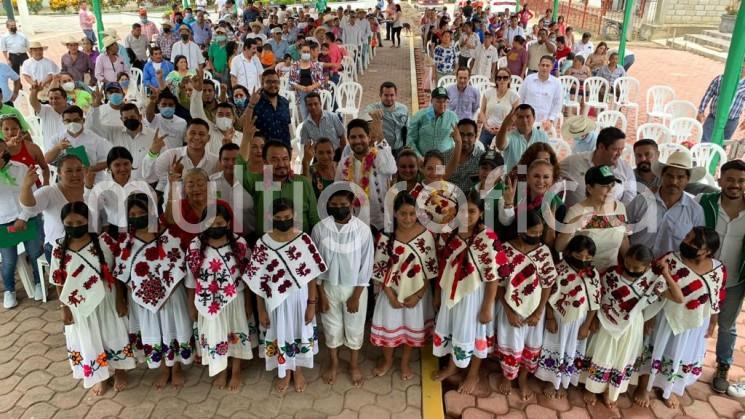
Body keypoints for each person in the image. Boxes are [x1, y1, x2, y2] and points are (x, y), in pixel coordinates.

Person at [580, 244, 682, 410]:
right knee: (601, 353)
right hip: (606, 322)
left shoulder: (652, 282)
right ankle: (591, 388)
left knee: (622, 357)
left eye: (636, 267)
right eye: (627, 264)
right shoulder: (612, 273)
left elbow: (678, 298)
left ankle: (609, 390)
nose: (630, 269)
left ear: (647, 266)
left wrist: (665, 274)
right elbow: (599, 296)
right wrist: (594, 319)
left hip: (631, 326)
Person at [50, 201, 136, 395]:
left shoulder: (105, 242)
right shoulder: (58, 250)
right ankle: (100, 375)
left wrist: (120, 299)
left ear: (88, 221)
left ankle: (120, 371)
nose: (74, 227)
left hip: (106, 301)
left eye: (79, 222)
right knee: (88, 339)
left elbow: (116, 274)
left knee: (112, 334)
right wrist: (64, 308)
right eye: (69, 224)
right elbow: (58, 281)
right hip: (79, 306)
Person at [634, 227, 725, 408]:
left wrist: (714, 321)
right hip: (663, 318)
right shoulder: (670, 260)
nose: (686, 243)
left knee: (678, 354)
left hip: (694, 324)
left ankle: (667, 389)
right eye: (687, 237)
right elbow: (652, 287)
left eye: (694, 244)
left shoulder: (718, 269)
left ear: (707, 252)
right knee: (653, 349)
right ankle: (643, 387)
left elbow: (717, 296)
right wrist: (649, 317)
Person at [109, 193, 193, 389]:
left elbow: (180, 263)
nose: (137, 216)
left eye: (142, 212)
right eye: (133, 213)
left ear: (151, 212)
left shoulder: (167, 235)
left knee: (174, 329)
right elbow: (121, 272)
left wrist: (167, 289)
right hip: (143, 301)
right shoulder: (125, 241)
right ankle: (164, 369)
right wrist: (121, 299)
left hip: (172, 297)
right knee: (155, 332)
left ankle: (177, 367)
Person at [245, 198, 326, 393]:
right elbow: (258, 282)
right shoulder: (263, 243)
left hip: (300, 299)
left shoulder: (303, 240)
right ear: (270, 217)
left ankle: (297, 370)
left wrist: (312, 304)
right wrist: (261, 309)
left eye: (287, 217)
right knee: (280, 333)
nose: (283, 221)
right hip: (274, 303)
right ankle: (285, 371)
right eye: (279, 218)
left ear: (294, 216)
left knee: (299, 332)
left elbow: (312, 276)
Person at [432, 190, 504, 394]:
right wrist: (438, 294)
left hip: (474, 297)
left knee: (473, 333)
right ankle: (452, 366)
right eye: (462, 210)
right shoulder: (448, 234)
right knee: (454, 328)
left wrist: (488, 306)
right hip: (449, 293)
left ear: (480, 213)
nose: (466, 215)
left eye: (472, 211)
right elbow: (442, 266)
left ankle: (473, 374)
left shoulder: (487, 238)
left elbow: (493, 276)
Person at [185, 202, 256, 390]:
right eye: (211, 224)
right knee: (216, 336)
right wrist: (191, 305)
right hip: (208, 302)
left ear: (228, 222)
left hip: (236, 299)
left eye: (220, 224)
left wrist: (249, 303)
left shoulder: (239, 244)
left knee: (236, 332)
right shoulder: (195, 245)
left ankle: (236, 371)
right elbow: (191, 280)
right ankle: (221, 371)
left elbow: (248, 277)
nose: (216, 228)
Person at [370, 192, 437, 380]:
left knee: (410, 329)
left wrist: (417, 295)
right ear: (394, 214)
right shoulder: (386, 237)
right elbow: (380, 269)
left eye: (412, 213)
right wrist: (390, 295)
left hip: (417, 294)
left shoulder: (426, 236)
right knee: (389, 328)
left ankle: (404, 362)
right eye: (403, 214)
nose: (408, 218)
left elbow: (430, 270)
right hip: (390, 292)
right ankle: (388, 360)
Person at [312, 190, 374, 387]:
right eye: (334, 205)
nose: (339, 208)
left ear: (352, 204)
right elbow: (315, 264)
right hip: (328, 287)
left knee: (354, 328)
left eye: (343, 204)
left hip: (355, 288)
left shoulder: (363, 230)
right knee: (332, 327)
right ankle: (334, 363)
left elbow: (366, 265)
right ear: (328, 205)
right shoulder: (320, 228)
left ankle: (354, 365)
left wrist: (356, 296)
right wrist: (320, 294)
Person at [495, 210, 557, 400]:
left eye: (540, 233)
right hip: (509, 308)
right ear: (521, 231)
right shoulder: (504, 250)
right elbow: (497, 284)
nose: (538, 237)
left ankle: (522, 378)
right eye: (533, 233)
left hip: (534, 310)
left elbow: (548, 284)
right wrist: (509, 311)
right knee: (509, 343)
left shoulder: (543, 251)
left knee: (530, 344)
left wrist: (539, 312)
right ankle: (507, 376)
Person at [697, 160, 745, 394]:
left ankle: (723, 365)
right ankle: (689, 360)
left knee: (726, 324)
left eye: (741, 181)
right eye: (730, 179)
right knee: (696, 318)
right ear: (720, 179)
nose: (735, 185)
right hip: (703, 276)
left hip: (736, 279)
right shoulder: (706, 203)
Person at [535, 235, 600, 399]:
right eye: (579, 256)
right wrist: (549, 318)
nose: (583, 260)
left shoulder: (593, 275)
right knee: (557, 346)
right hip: (558, 318)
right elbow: (549, 295)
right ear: (570, 253)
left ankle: (564, 381)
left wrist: (587, 325)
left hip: (580, 321)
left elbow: (595, 302)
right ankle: (551, 381)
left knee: (571, 349)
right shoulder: (559, 269)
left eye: (588, 257)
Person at [627, 149, 705, 257]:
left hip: (671, 270)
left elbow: (696, 245)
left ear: (688, 179)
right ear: (662, 176)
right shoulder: (641, 200)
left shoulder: (695, 211)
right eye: (670, 176)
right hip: (635, 266)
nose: (674, 181)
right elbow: (622, 230)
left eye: (680, 177)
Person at [556, 165, 630, 271]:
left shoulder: (620, 208)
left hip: (611, 274)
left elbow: (623, 239)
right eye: (604, 186)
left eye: (612, 184)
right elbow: (559, 247)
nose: (610, 190)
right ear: (590, 188)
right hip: (583, 275)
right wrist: (573, 225)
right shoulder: (576, 211)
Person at [239, 140, 319, 234]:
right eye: (275, 160)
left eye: (285, 159)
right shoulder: (259, 183)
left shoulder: (303, 183)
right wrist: (246, 137)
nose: (281, 164)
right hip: (266, 246)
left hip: (300, 245)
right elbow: (238, 170)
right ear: (265, 161)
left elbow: (314, 218)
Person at [0, 141, 44, 308]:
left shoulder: (21, 168)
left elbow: (34, 196)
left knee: (35, 253)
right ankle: (9, 290)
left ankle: (39, 282)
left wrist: (24, 217)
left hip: (28, 218)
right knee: (9, 260)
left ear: (5, 149)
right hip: (3, 224)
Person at [336, 118, 397, 232]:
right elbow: (338, 191)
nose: (358, 141)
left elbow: (392, 168)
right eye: (353, 137)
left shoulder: (379, 155)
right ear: (348, 139)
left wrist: (380, 135)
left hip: (382, 221)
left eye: (361, 136)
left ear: (368, 138)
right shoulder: (343, 164)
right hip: (356, 222)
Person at [560, 127, 636, 207]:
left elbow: (630, 200)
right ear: (601, 147)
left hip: (611, 217)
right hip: (576, 216)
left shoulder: (625, 169)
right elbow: (551, 172)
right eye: (615, 149)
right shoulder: (573, 162)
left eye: (622, 149)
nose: (619, 153)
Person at [88, 94, 155, 181]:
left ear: (140, 117)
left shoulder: (153, 135)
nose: (129, 120)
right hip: (119, 184)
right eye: (126, 118)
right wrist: (96, 106)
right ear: (121, 119)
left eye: (132, 117)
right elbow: (93, 127)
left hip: (146, 185)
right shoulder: (114, 132)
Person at [697, 64, 745, 143]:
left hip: (732, 120)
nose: (742, 70)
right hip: (714, 117)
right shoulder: (720, 79)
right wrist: (701, 110)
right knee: (704, 140)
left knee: (723, 143)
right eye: (741, 67)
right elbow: (708, 94)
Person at [495, 104, 549, 173]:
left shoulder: (543, 136)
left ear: (534, 118)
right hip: (513, 180)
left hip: (536, 179)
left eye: (528, 116)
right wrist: (505, 125)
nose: (524, 120)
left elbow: (547, 160)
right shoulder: (509, 136)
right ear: (515, 120)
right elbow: (500, 146)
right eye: (520, 117)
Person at [408, 87, 460, 158]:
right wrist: (418, 157)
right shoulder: (420, 116)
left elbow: (459, 139)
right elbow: (410, 140)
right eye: (438, 101)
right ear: (431, 101)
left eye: (444, 101)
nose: (442, 105)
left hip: (444, 161)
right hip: (423, 161)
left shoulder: (453, 117)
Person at [244, 70, 292, 145]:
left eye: (276, 82)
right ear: (262, 84)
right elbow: (243, 125)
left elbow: (287, 127)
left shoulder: (284, 102)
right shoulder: (253, 100)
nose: (273, 85)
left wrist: (290, 148)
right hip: (261, 151)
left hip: (283, 150)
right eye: (269, 82)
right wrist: (251, 104)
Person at [478, 68, 520, 149]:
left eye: (505, 78)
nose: (502, 80)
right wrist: (486, 126)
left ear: (509, 80)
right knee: (480, 152)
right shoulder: (488, 93)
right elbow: (482, 111)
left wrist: (503, 128)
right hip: (488, 129)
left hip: (504, 132)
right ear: (496, 80)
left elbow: (516, 116)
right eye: (499, 78)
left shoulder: (514, 96)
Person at [519, 55, 562, 127]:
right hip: (526, 119)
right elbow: (520, 98)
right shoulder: (529, 79)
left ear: (551, 67)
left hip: (545, 122)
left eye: (547, 66)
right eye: (543, 65)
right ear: (539, 66)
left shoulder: (556, 83)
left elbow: (557, 103)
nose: (544, 68)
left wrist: (550, 120)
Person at [289, 42, 326, 119]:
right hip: (301, 92)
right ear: (300, 52)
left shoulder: (316, 65)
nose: (306, 53)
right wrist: (301, 87)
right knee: (305, 116)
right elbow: (291, 81)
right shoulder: (294, 65)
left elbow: (321, 80)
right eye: (304, 52)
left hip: (314, 92)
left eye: (308, 52)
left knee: (316, 115)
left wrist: (312, 87)